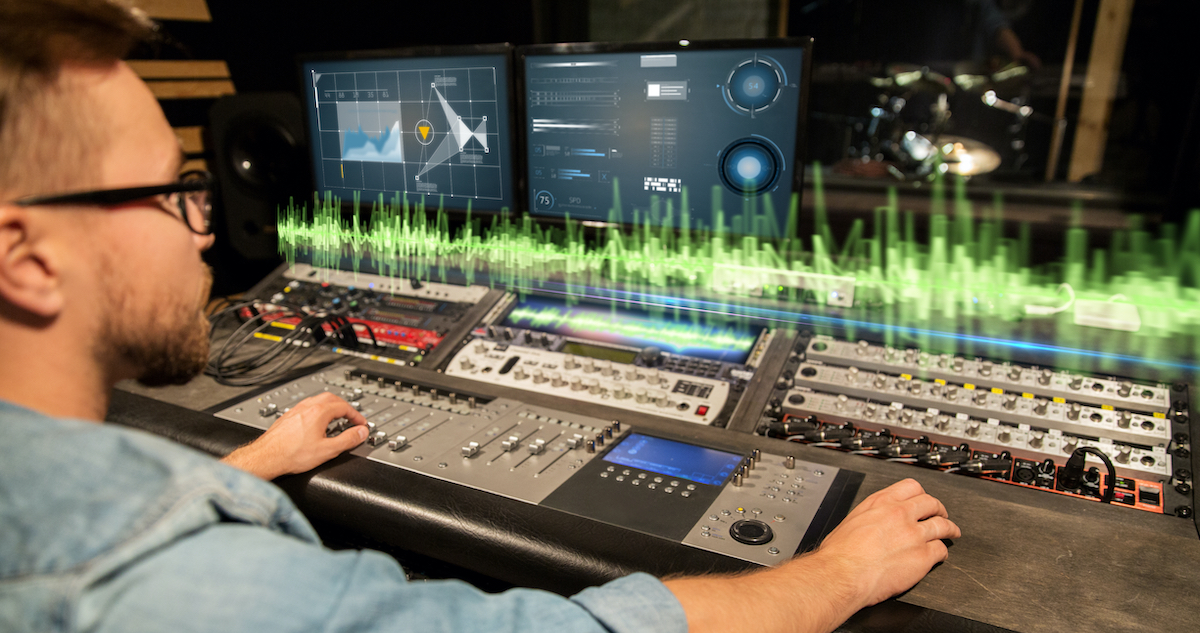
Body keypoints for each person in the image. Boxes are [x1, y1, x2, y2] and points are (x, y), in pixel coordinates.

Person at [0, 2, 961, 632]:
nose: (205, 229)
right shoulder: (193, 595)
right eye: (172, 196)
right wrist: (842, 571)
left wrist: (247, 465)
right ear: (27, 258)